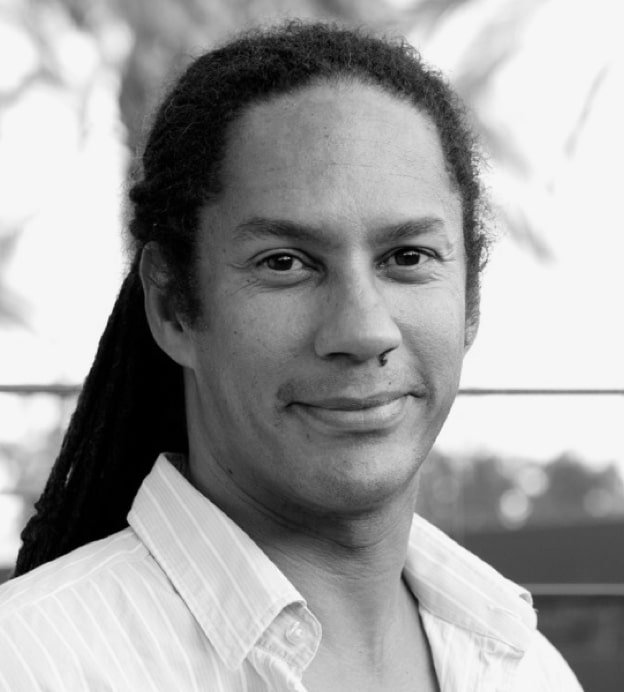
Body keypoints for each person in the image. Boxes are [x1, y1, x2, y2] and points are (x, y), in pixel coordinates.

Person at [0, 21, 582, 691]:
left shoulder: (526, 668)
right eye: (285, 263)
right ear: (172, 306)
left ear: (470, 301)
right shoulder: (30, 666)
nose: (363, 330)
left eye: (408, 257)